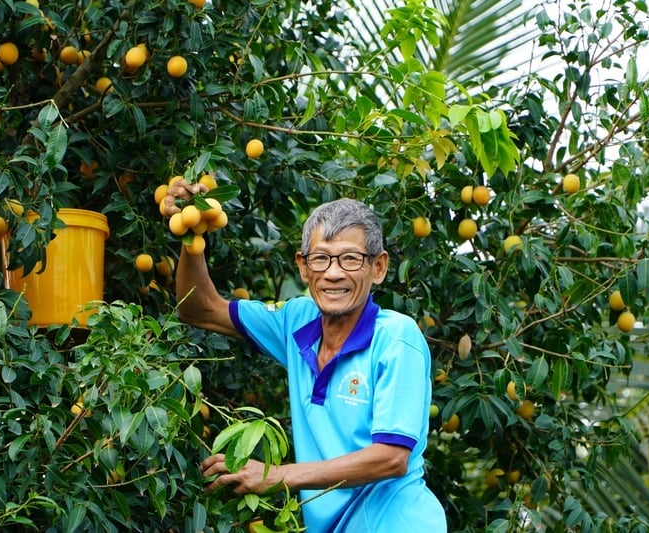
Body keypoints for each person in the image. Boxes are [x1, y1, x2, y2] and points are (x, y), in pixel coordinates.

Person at [166, 187, 447, 532]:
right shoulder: (296, 320)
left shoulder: (395, 338)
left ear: (379, 267)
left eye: (350, 259)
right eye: (321, 258)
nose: (333, 273)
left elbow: (391, 457)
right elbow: (199, 308)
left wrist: (277, 476)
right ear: (302, 266)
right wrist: (191, 232)